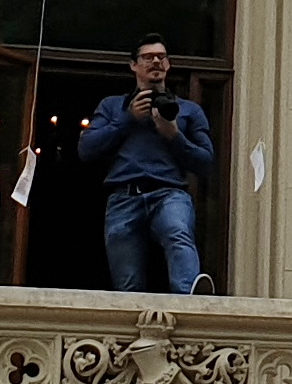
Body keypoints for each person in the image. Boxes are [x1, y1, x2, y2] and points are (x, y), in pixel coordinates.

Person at [76, 37, 214, 294]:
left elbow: (206, 162)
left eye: (161, 57)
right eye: (148, 57)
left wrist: (174, 136)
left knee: (177, 231)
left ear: (168, 65)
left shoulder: (187, 110)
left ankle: (190, 299)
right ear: (133, 66)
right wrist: (127, 120)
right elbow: (86, 150)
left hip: (169, 192)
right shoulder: (113, 106)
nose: (155, 61)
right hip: (123, 197)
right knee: (127, 281)